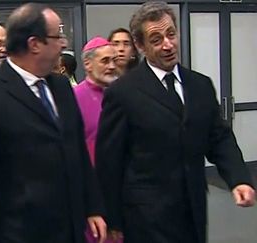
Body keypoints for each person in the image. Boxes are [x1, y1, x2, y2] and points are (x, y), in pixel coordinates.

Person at [95, 2, 255, 243]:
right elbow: (109, 160)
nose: (168, 44)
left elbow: (218, 137)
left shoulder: (199, 85)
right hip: (145, 215)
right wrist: (113, 219)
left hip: (193, 208)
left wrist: (238, 178)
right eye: (156, 39)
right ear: (140, 45)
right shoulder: (123, 92)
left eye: (171, 34)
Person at [0, 3, 106, 243]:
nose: (64, 43)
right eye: (57, 36)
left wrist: (93, 207)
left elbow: (76, 149)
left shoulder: (61, 87)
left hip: (70, 229)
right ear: (34, 44)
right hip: (20, 232)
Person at [74, 36, 118, 165]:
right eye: (105, 61)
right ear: (88, 64)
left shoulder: (122, 93)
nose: (112, 66)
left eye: (114, 60)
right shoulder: (74, 97)